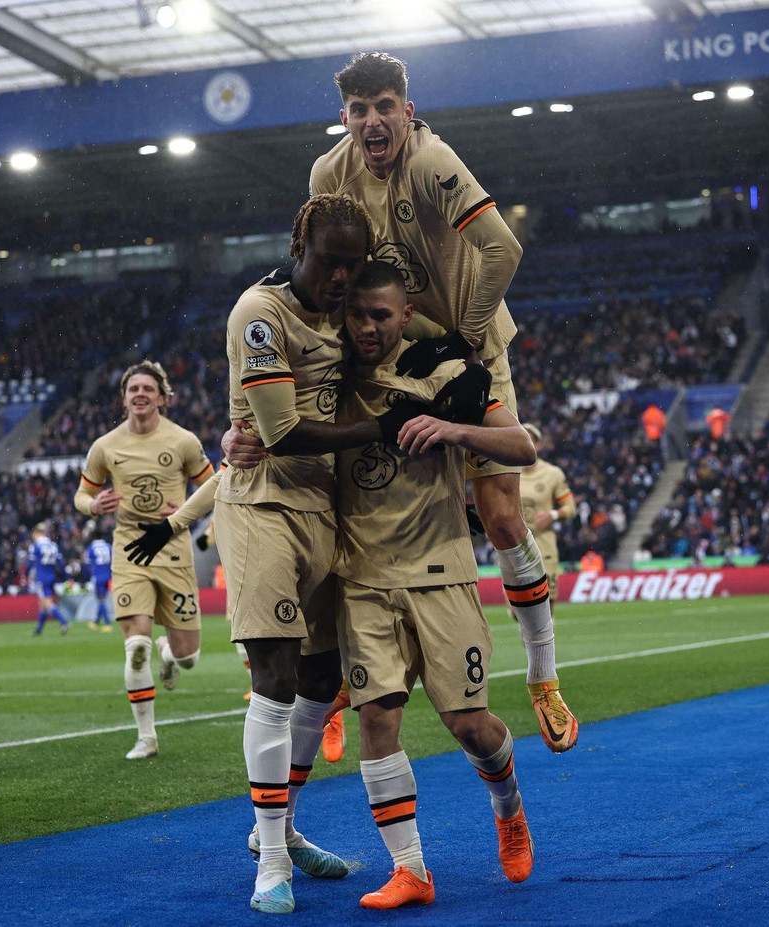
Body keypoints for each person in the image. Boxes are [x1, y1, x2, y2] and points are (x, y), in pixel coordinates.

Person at [207, 193, 473, 915]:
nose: (341, 278)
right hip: (263, 503)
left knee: (321, 676)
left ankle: (283, 829)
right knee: (274, 672)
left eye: (352, 266)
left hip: (328, 510)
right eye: (330, 261)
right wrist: (390, 425)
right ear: (301, 244)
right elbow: (285, 433)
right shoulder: (259, 314)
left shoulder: (348, 314)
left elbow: (415, 330)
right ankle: (267, 856)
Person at [308, 52, 577, 753]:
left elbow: (503, 249)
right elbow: (322, 270)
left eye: (385, 106)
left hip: (469, 345)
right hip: (382, 346)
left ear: (407, 107)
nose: (373, 120)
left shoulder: (432, 161)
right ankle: (330, 673)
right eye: (360, 109)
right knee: (337, 489)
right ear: (345, 116)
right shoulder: (327, 175)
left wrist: (465, 339)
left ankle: (544, 677)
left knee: (502, 518)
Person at [334, 261, 537, 907]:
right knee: (377, 719)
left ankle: (508, 808)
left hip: (442, 572)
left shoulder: (446, 373)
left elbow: (523, 445)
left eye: (382, 315)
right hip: (364, 579)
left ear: (405, 313)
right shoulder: (329, 375)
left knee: (469, 723)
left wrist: (452, 429)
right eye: (359, 314)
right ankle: (411, 870)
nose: (368, 326)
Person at [73, 360, 214, 760]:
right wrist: (93, 505)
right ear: (123, 398)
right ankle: (146, 737)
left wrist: (185, 510)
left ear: (162, 397)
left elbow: (214, 487)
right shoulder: (105, 446)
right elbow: (82, 495)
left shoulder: (183, 441)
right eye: (133, 389)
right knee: (135, 645)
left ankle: (169, 654)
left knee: (188, 658)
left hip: (172, 549)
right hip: (129, 549)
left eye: (148, 389)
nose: (140, 394)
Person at [518, 424, 576, 606]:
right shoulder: (506, 473)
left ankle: (540, 634)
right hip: (516, 546)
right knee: (517, 608)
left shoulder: (552, 474)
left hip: (544, 545)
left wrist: (553, 515)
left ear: (538, 445)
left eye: (530, 440)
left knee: (546, 603)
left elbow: (571, 507)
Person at [28, 523, 70, 635]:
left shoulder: (36, 545)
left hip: (41, 577)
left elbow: (30, 563)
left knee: (47, 603)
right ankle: (39, 629)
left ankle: (63, 621)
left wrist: (26, 574)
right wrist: (65, 577)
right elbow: (60, 564)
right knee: (43, 604)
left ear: (37, 533)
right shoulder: (53, 545)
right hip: (51, 576)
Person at [84, 527, 114, 632]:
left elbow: (87, 564)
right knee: (102, 599)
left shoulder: (91, 548)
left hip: (98, 576)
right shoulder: (109, 547)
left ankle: (107, 623)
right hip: (108, 575)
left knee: (100, 600)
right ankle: (96, 622)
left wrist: (87, 576)